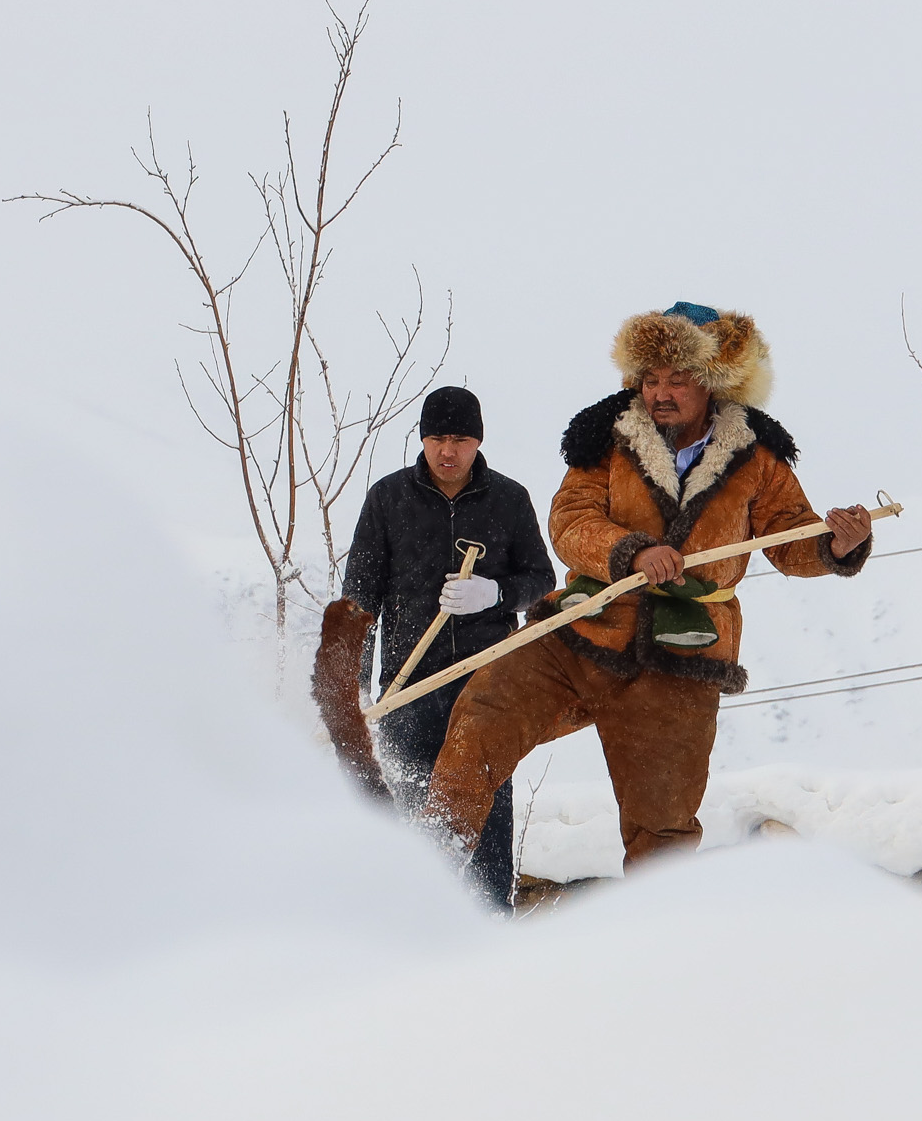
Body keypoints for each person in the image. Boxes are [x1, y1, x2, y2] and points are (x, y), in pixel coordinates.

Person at [426, 304, 873, 872]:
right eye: (651, 378)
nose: (661, 393)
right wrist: (630, 551)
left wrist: (836, 546)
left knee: (662, 830)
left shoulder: (758, 456)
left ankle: (655, 944)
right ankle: (426, 872)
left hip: (681, 658)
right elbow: (570, 519)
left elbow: (789, 537)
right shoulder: (605, 438)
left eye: (677, 380)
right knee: (480, 719)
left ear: (712, 382)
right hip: (583, 628)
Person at [315, 385, 552, 908]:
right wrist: (350, 695)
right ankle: (413, 926)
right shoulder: (388, 498)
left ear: (478, 441)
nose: (448, 451)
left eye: (461, 439)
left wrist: (494, 594)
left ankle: (491, 922)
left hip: (488, 688)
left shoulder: (509, 500)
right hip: (408, 688)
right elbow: (359, 601)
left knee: (487, 815)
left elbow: (540, 576)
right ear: (422, 439)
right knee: (408, 816)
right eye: (437, 438)